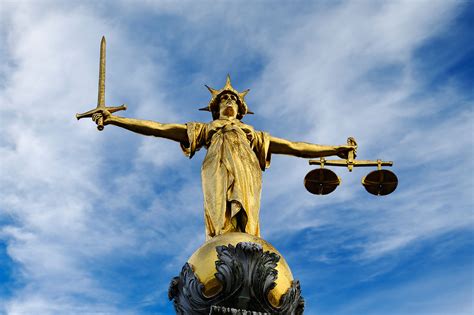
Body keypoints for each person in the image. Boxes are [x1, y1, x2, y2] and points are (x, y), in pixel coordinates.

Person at [92, 76, 356, 240]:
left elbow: (294, 146)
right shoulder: (206, 130)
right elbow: (160, 128)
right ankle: (221, 240)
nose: (228, 101)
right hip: (216, 169)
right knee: (220, 217)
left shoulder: (253, 135)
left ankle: (245, 242)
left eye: (233, 99)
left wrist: (334, 150)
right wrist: (116, 120)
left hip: (247, 170)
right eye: (224, 99)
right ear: (215, 108)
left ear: (241, 111)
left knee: (247, 219)